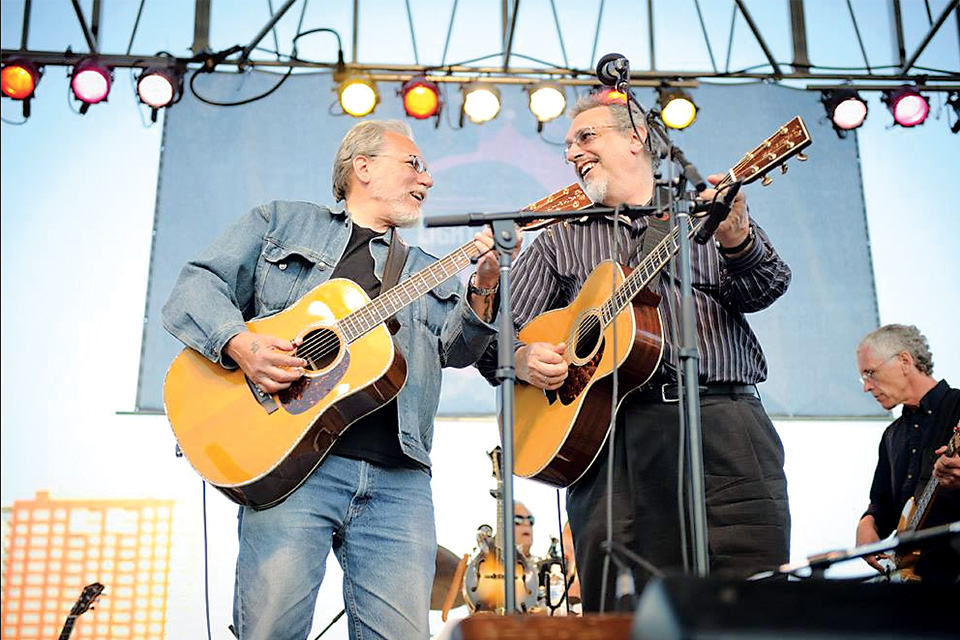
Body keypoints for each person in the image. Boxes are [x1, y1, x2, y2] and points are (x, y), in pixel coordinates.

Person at [162, 120, 511, 640]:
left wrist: (483, 287)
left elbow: (457, 348)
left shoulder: (425, 271)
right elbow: (196, 288)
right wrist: (242, 344)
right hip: (289, 468)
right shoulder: (282, 224)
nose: (428, 179)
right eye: (414, 164)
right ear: (362, 167)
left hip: (399, 480)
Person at [479, 90, 792, 611]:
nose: (573, 153)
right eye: (568, 145)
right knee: (628, 610)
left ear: (637, 137)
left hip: (725, 424)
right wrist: (521, 358)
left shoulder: (704, 211)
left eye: (586, 137)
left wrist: (737, 238)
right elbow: (494, 338)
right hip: (610, 438)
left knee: (750, 597)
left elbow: (763, 289)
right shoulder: (561, 238)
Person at [854, 324, 960, 584]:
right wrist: (867, 524)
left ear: (904, 360)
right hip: (913, 584)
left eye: (870, 373)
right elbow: (884, 505)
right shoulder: (891, 436)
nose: (866, 387)